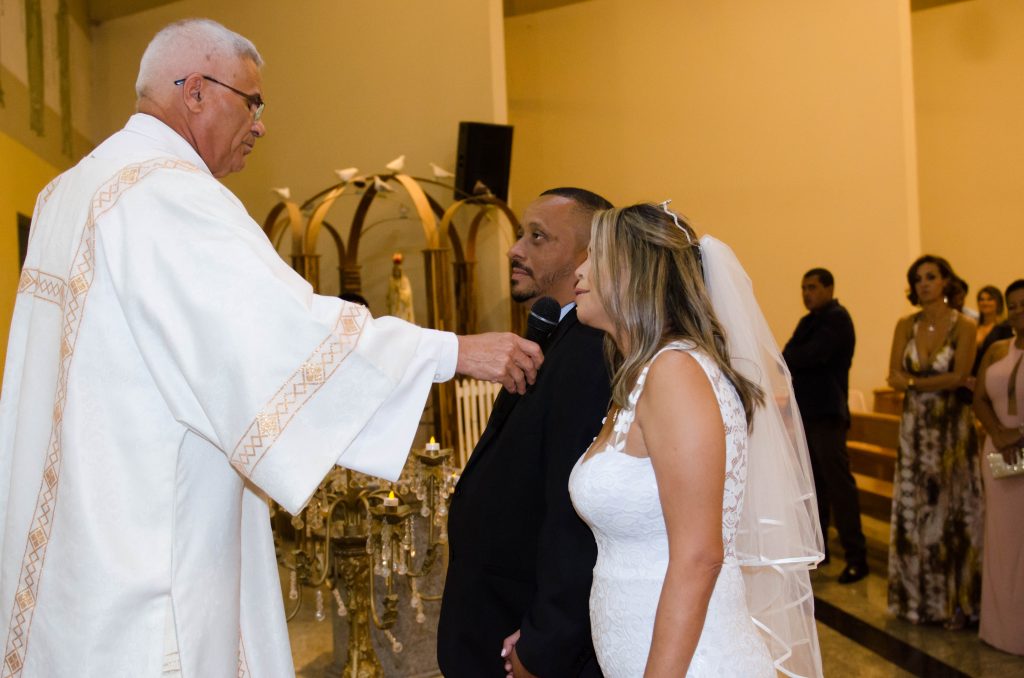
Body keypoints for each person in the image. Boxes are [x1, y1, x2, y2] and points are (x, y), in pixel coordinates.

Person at [0, 19, 542, 677]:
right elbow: (283, 331)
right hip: (148, 562)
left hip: (77, 559)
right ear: (195, 91)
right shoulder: (167, 194)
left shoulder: (65, 193)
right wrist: (452, 352)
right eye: (251, 102)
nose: (260, 125)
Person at [569, 202, 823, 677]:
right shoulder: (643, 375)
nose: (579, 272)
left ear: (635, 271)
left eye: (594, 256)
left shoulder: (675, 373)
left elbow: (701, 556)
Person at [438, 188, 613, 678]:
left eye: (537, 237)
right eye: (520, 234)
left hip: (521, 631)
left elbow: (575, 512)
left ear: (587, 256)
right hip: (491, 614)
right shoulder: (553, 333)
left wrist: (543, 643)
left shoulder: (589, 352)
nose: (515, 249)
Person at [886, 255, 982, 628]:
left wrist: (913, 383)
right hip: (915, 428)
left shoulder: (965, 325)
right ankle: (918, 602)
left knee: (952, 509)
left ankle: (957, 604)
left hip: (951, 428)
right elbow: (892, 376)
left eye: (931, 276)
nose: (924, 283)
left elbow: (959, 376)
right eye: (918, 279)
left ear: (946, 281)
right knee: (916, 509)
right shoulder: (905, 324)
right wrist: (922, 384)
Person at [783, 268, 868, 583]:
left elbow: (810, 355)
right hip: (808, 412)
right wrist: (798, 357)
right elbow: (787, 355)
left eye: (813, 287)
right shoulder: (808, 322)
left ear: (830, 288)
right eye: (803, 288)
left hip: (829, 412)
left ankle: (856, 556)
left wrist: (798, 357)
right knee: (815, 485)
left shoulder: (837, 319)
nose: (807, 293)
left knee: (838, 485)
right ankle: (820, 550)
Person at [972, 279, 1024, 656]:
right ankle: (1001, 630)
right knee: (1002, 541)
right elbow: (978, 399)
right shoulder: (996, 349)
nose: (1018, 311)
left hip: (1018, 443)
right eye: (1013, 305)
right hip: (998, 453)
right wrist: (999, 433)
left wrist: (1018, 434)